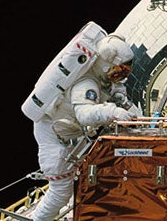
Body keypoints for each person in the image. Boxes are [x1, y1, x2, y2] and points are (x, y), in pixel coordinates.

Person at [29, 32, 140, 221]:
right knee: (60, 192)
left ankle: (74, 215)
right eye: (118, 70)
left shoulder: (103, 81)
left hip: (71, 136)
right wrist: (112, 111)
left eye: (125, 71)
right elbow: (84, 114)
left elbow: (118, 96)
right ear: (105, 65)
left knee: (86, 177)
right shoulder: (86, 83)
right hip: (54, 137)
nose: (121, 75)